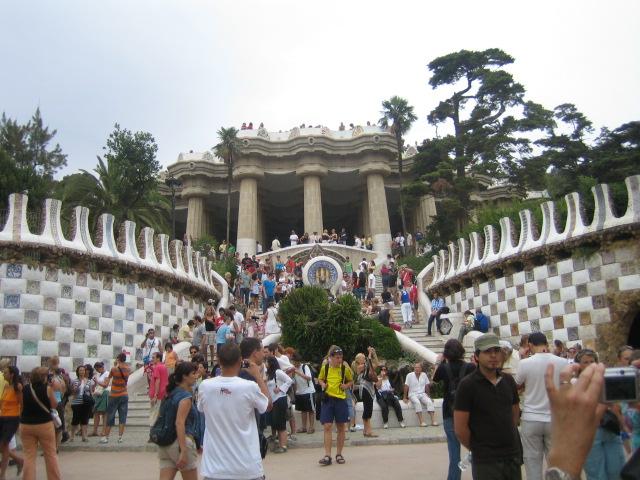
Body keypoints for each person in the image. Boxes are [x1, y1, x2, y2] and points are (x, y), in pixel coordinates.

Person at [454, 333, 522, 480]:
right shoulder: (467, 385)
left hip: (511, 455)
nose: (493, 355)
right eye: (487, 351)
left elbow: (515, 412)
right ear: (477, 356)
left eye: (496, 351)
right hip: (486, 460)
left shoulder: (508, 380)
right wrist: (478, 448)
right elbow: (460, 428)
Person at [198, 344, 270, 480]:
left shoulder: (205, 386)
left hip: (214, 469)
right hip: (247, 468)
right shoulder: (249, 387)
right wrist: (258, 376)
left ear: (219, 361)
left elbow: (200, 408)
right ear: (240, 360)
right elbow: (267, 405)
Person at [514, 332, 568, 480]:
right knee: (556, 463)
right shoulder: (562, 362)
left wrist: (524, 358)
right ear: (546, 343)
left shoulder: (525, 363)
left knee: (532, 462)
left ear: (530, 345)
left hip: (531, 417)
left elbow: (516, 386)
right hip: (554, 418)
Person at [579, 349, 626, 479]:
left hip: (610, 428)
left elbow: (617, 404)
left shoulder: (607, 380)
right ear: (579, 365)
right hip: (590, 432)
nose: (589, 365)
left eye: (592, 361)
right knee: (597, 474)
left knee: (616, 470)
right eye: (585, 362)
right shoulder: (576, 384)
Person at [433, 339, 476, 480]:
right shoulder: (470, 367)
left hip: (449, 411)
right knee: (475, 449)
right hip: (469, 411)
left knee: (454, 451)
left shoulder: (443, 368)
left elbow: (434, 379)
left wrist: (440, 361)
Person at [157, 362, 201, 480]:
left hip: (165, 443)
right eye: (193, 373)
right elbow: (179, 422)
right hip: (180, 442)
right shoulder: (185, 397)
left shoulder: (170, 394)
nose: (196, 376)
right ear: (185, 376)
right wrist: (183, 450)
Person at [20, 366, 61, 480]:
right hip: (44, 424)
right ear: (44, 377)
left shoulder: (26, 388)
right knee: (50, 454)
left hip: (26, 424)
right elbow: (54, 405)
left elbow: (22, 406)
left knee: (29, 456)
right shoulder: (47, 389)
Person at [317, 345, 353, 466]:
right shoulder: (325, 368)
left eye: (341, 357)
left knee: (341, 427)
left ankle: (339, 454)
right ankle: (327, 455)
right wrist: (323, 384)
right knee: (327, 426)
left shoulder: (344, 369)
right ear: (330, 357)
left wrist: (346, 386)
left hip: (340, 400)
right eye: (337, 358)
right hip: (328, 400)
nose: (339, 360)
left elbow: (351, 381)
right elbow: (320, 379)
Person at [100, 353, 130, 444]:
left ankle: (106, 437)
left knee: (110, 415)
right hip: (124, 394)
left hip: (114, 395)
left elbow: (105, 384)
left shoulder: (114, 369)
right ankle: (120, 437)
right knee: (123, 416)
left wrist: (97, 381)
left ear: (118, 359)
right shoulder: (128, 369)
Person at [265, 356, 293, 453]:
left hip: (280, 399)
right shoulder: (269, 374)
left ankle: (283, 445)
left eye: (267, 362)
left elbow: (289, 380)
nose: (266, 364)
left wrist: (280, 388)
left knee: (281, 423)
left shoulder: (278, 372)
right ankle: (280, 444)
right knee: (276, 422)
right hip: (273, 400)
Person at [0, 366, 23, 479]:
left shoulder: (17, 387)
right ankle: (18, 459)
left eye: (5, 373)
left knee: (4, 445)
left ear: (12, 374)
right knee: (3, 447)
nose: (3, 374)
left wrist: (21, 419)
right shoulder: (6, 386)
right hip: (2, 417)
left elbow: (22, 404)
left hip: (12, 418)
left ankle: (3, 475)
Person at [353, 348, 379, 437]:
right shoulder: (359, 366)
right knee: (367, 410)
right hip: (365, 389)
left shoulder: (366, 364)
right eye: (363, 358)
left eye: (365, 357)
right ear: (358, 360)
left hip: (369, 389)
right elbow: (368, 364)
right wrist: (369, 353)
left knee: (368, 409)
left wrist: (373, 353)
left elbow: (376, 364)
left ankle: (365, 431)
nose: (364, 359)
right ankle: (369, 431)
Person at [403, 362, 438, 427]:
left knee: (429, 402)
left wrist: (429, 396)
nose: (417, 369)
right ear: (413, 368)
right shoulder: (409, 375)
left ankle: (433, 421)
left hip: (422, 394)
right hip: (412, 394)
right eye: (415, 367)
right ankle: (421, 422)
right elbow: (406, 386)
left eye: (418, 367)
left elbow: (427, 386)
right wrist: (405, 397)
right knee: (417, 403)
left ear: (421, 368)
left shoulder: (424, 375)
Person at [291, 353, 316, 434]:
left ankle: (311, 427)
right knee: (303, 410)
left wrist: (298, 372)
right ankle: (304, 427)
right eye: (293, 362)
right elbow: (293, 381)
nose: (295, 364)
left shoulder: (305, 367)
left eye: (296, 362)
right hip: (299, 392)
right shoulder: (293, 369)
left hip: (308, 391)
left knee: (310, 410)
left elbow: (309, 378)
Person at [69, 365, 94, 442]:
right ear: (78, 372)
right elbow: (72, 392)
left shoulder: (89, 381)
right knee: (75, 420)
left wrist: (92, 399)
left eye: (83, 370)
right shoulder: (74, 381)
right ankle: (72, 436)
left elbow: (91, 392)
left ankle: (84, 436)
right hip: (76, 402)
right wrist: (77, 387)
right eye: (80, 370)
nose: (82, 372)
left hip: (86, 403)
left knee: (84, 419)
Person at [149, 352, 169, 427]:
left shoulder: (157, 367)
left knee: (154, 415)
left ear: (158, 358)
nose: (152, 359)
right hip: (163, 393)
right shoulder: (164, 367)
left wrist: (155, 395)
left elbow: (158, 381)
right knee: (159, 414)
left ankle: (153, 433)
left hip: (157, 395)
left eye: (153, 357)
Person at [91, 362, 109, 437]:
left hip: (104, 393)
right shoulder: (98, 374)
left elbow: (105, 385)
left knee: (104, 413)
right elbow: (95, 385)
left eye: (97, 369)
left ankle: (103, 430)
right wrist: (95, 383)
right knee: (96, 413)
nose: (97, 370)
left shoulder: (107, 373)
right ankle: (95, 431)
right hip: (97, 393)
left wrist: (97, 381)